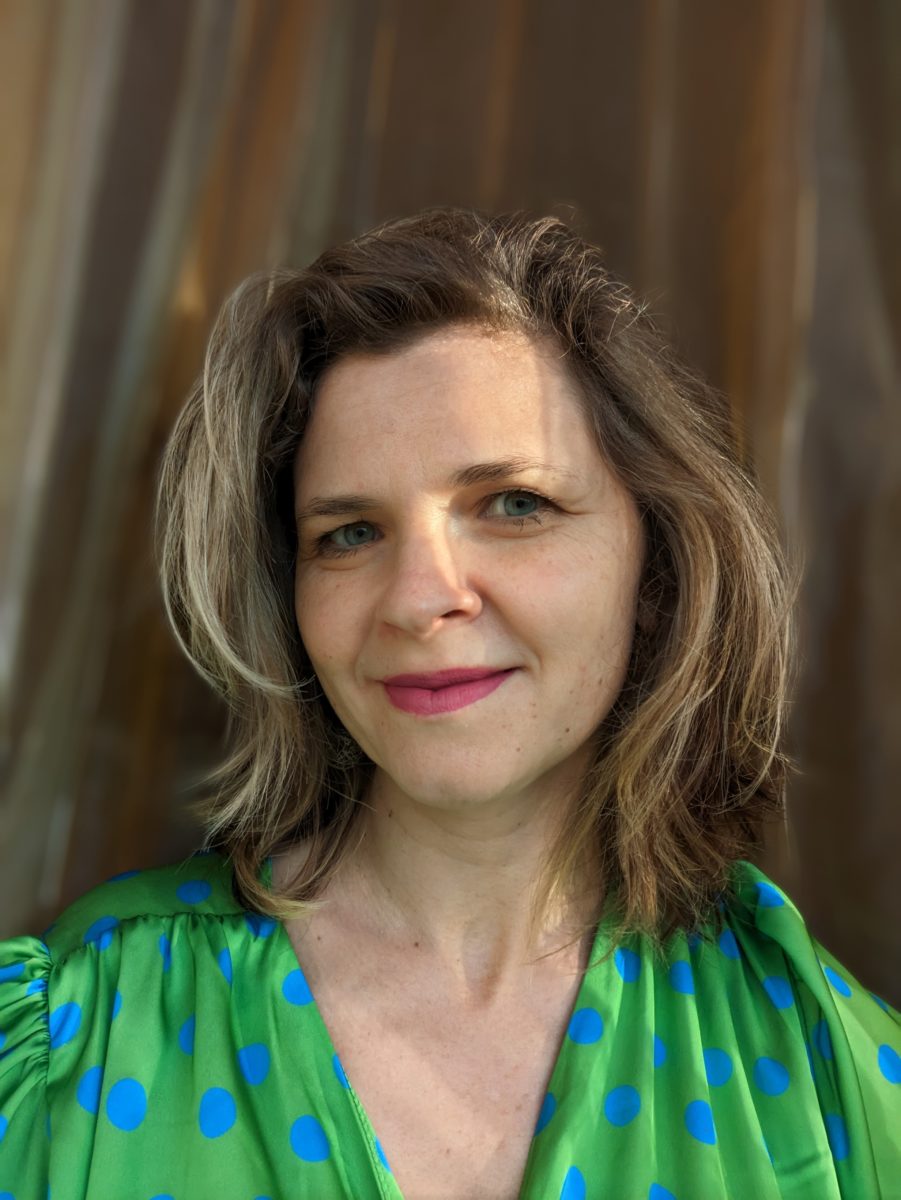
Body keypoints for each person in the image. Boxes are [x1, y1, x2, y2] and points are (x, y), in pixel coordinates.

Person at [1, 207, 898, 1200]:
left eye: (514, 505)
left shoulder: (822, 1068)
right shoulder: (73, 1040)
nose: (419, 597)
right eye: (348, 533)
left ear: (656, 571)